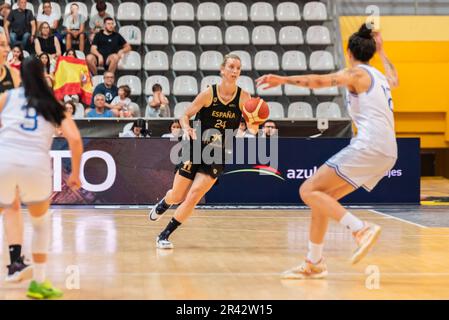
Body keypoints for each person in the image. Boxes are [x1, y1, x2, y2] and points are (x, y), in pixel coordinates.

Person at [256, 25, 399, 279]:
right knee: (320, 198)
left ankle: (360, 229)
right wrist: (383, 51)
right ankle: (314, 262)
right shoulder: (379, 76)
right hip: (388, 151)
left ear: (348, 52)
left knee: (307, 190)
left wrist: (283, 80)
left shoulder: (356, 73)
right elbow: (395, 79)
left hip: (370, 146)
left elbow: (319, 81)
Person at [148, 54, 258, 249]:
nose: (234, 71)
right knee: (178, 195)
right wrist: (186, 127)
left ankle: (164, 235)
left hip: (218, 152)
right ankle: (165, 203)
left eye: (238, 68)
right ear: (222, 70)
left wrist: (257, 118)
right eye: (231, 67)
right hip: (196, 146)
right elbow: (185, 115)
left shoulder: (244, 97)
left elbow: (254, 129)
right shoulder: (209, 93)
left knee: (195, 195)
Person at [0, 57, 83, 298]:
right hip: (34, 166)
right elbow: (75, 140)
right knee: (40, 223)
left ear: (21, 77)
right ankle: (38, 282)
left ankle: (16, 265)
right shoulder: (53, 105)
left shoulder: (8, 98)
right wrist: (75, 174)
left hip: (4, 160)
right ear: (44, 75)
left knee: (8, 209)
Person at [0, 29, 29, 283]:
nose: (5, 48)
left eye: (5, 44)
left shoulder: (14, 74)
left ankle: (15, 262)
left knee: (13, 203)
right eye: (0, 44)